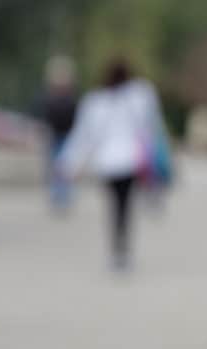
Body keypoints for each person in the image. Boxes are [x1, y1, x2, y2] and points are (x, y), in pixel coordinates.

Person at [59, 58, 171, 271]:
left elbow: (84, 135)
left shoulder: (96, 101)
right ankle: (123, 249)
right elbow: (153, 126)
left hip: (108, 163)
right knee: (125, 206)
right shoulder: (140, 95)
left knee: (114, 207)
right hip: (130, 161)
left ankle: (117, 250)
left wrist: (68, 163)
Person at [37, 55, 78, 213]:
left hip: (66, 136)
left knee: (65, 166)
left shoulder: (69, 98)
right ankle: (57, 195)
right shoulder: (50, 98)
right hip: (55, 135)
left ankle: (64, 195)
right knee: (55, 166)